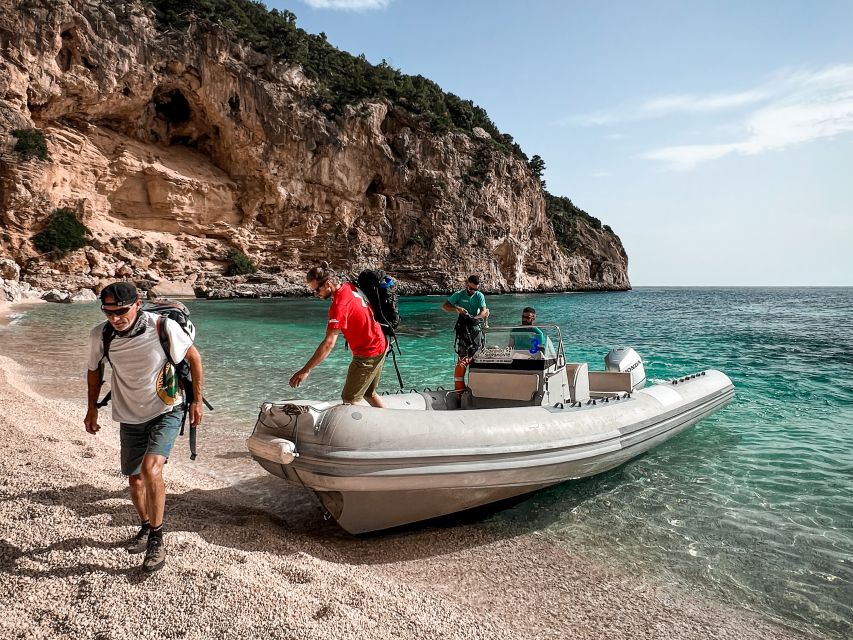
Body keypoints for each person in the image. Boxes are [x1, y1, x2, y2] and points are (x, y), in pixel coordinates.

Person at [84, 282, 204, 573]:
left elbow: (194, 358)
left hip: (167, 408)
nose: (115, 318)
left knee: (152, 470)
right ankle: (146, 526)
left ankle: (157, 540)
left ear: (137, 304)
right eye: (108, 312)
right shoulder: (101, 334)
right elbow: (94, 370)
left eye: (121, 311)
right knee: (135, 480)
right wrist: (91, 409)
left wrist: (196, 402)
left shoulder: (162, 327)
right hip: (129, 415)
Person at [289, 264, 387, 407]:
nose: (316, 294)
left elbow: (329, 343)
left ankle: (364, 428)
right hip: (380, 343)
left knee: (350, 399)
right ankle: (387, 424)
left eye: (317, 289)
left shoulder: (339, 306)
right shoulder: (348, 286)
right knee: (368, 393)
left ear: (328, 284)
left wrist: (306, 370)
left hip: (368, 353)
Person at [442, 275, 490, 391]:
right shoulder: (458, 295)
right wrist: (457, 309)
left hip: (475, 327)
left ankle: (477, 385)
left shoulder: (479, 296)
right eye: (471, 288)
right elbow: (445, 306)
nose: (473, 291)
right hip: (463, 329)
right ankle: (460, 388)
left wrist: (476, 318)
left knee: (477, 355)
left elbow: (484, 311)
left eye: (475, 289)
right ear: (466, 284)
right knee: (463, 356)